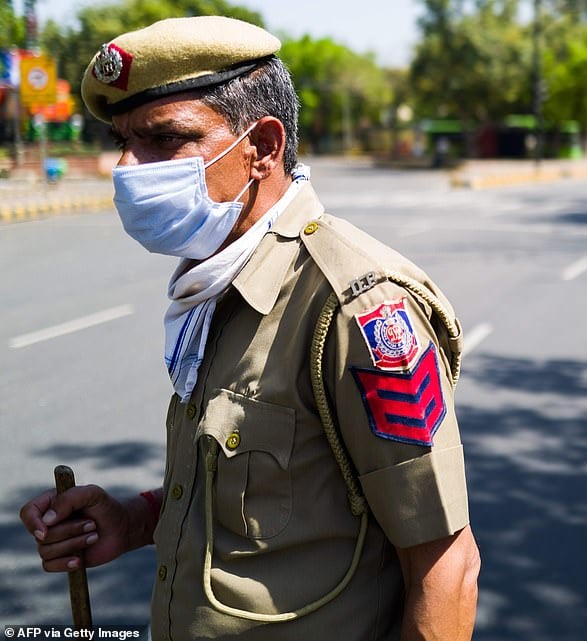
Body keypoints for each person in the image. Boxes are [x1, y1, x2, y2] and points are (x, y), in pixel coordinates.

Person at [19, 16, 480, 641]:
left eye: (163, 139)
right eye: (122, 140)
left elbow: (445, 568)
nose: (127, 167)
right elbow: (265, 493)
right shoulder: (215, 278)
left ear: (262, 147)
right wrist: (136, 520)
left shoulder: (356, 308)